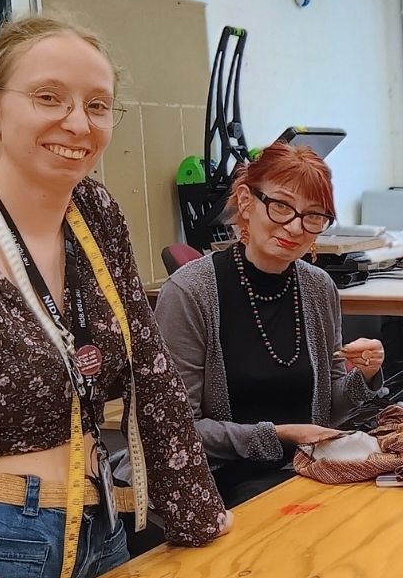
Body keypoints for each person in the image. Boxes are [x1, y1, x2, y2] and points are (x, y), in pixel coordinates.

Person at [0, 14, 231, 578]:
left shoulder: (93, 213)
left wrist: (198, 515)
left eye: (97, 105)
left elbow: (150, 366)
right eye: (48, 98)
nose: (78, 125)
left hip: (98, 527)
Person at [155, 143, 387, 506]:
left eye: (313, 216)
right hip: (224, 483)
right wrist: (278, 436)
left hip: (309, 471)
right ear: (247, 202)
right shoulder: (190, 292)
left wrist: (367, 375)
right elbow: (176, 429)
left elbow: (328, 411)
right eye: (281, 206)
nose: (295, 227)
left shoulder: (317, 287)